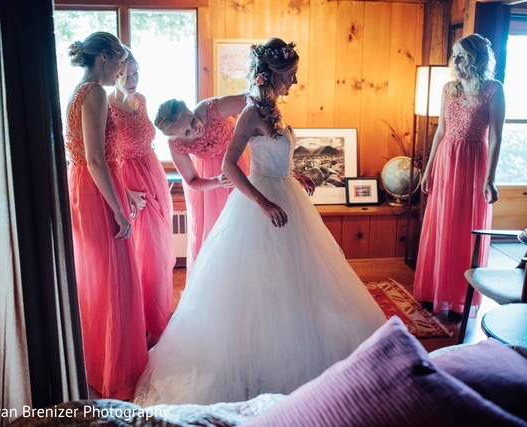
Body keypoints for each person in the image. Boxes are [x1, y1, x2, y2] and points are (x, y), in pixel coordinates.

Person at [133, 37, 387, 406]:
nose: (295, 82)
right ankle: (257, 362)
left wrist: (294, 174)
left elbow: (273, 155)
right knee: (258, 281)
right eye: (291, 75)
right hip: (261, 203)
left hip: (286, 193)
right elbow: (227, 165)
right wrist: (263, 202)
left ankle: (293, 345)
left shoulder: (273, 107)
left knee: (294, 279)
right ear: (271, 74)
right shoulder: (252, 111)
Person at [65, 32, 147, 399]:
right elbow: (96, 158)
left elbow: (95, 157)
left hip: (88, 185)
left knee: (98, 278)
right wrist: (119, 210)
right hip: (96, 193)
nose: (121, 70)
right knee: (114, 280)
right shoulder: (95, 93)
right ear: (103, 59)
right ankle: (114, 373)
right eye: (118, 62)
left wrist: (124, 191)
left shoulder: (78, 92)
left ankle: (98, 364)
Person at [413, 33, 505, 320]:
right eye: (454, 54)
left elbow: (497, 136)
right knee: (440, 226)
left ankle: (458, 298)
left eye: (462, 55)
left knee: (463, 230)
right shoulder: (448, 89)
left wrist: (489, 179)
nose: (456, 60)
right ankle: (433, 292)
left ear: (477, 58)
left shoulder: (493, 89)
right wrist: (428, 170)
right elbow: (440, 130)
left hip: (473, 164)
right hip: (446, 161)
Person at [108, 47, 176, 347]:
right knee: (142, 256)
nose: (132, 78)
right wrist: (125, 192)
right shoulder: (106, 106)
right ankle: (140, 328)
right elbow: (104, 155)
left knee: (160, 255)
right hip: (129, 181)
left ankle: (157, 323)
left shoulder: (142, 101)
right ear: (115, 72)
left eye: (136, 72)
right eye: (126, 73)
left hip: (154, 177)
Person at [153, 94, 249, 278]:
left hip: (237, 165)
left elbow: (253, 102)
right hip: (209, 185)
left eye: (191, 120)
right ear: (176, 136)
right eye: (186, 132)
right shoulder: (176, 144)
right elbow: (192, 181)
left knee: (242, 228)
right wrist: (217, 181)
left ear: (189, 110)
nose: (194, 128)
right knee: (214, 235)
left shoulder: (213, 108)